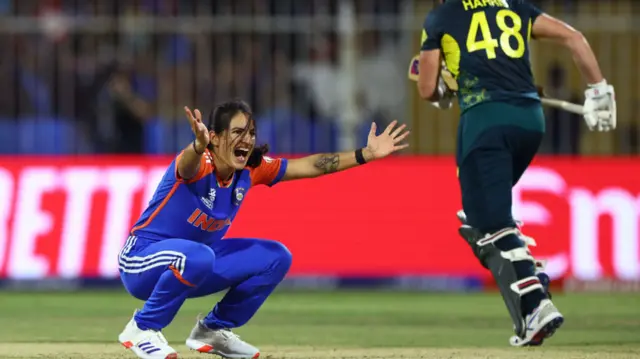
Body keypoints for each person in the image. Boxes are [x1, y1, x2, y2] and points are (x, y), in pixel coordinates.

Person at [116, 99, 410, 359]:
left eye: (251, 133)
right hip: (141, 262)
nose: (247, 139)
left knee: (275, 257)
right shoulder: (200, 162)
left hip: (194, 264)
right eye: (237, 132)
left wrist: (365, 154)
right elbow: (187, 165)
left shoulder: (251, 169)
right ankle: (142, 328)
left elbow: (311, 165)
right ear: (215, 139)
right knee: (199, 256)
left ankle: (212, 331)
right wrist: (197, 144)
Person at [415, 0, 615, 347]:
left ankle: (536, 302)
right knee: (486, 219)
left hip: (484, 121)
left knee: (487, 223)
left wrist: (444, 91)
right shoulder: (513, 6)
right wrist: (599, 91)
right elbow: (574, 38)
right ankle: (532, 295)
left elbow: (425, 86)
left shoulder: (442, 15)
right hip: (529, 122)